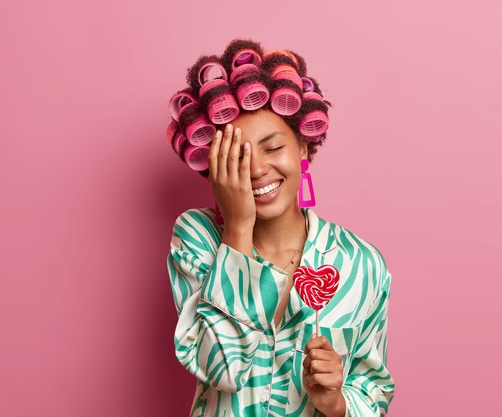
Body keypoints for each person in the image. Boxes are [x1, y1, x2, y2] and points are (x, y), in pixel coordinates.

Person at [166, 38, 395, 417]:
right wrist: (238, 225)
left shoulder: (362, 264)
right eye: (238, 156)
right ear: (214, 163)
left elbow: (374, 392)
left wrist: (337, 404)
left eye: (273, 148)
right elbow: (221, 367)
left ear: (303, 147)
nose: (256, 170)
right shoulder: (197, 239)